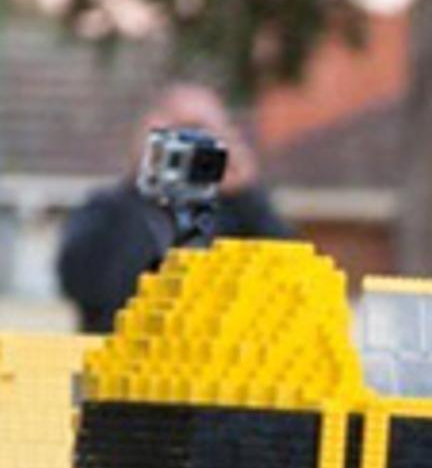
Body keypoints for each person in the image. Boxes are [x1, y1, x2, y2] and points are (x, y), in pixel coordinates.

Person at [56, 82, 293, 333]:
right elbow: (83, 284)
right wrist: (149, 177)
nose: (194, 145)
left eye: (207, 133)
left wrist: (247, 196)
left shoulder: (236, 214)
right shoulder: (107, 209)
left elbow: (285, 281)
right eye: (186, 129)